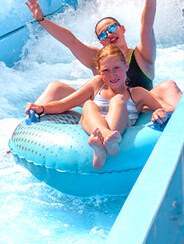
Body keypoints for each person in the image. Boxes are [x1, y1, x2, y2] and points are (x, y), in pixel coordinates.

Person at [24, 0, 183, 114]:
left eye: (112, 28)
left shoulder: (141, 55)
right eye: (103, 34)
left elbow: (146, 27)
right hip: (104, 108)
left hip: (141, 107)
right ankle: (29, 125)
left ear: (122, 29)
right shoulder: (98, 58)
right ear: (101, 42)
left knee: (169, 86)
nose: (109, 34)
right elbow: (71, 42)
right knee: (55, 88)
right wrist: (41, 20)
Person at [26, 45, 169, 169]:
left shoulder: (137, 93)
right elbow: (65, 104)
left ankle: (102, 148)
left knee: (118, 99)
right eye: (106, 70)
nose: (112, 75)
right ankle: (105, 138)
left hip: (118, 129)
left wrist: (159, 111)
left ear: (126, 67)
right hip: (95, 127)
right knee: (88, 104)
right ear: (99, 71)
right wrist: (42, 108)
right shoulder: (96, 84)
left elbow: (167, 107)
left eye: (117, 68)